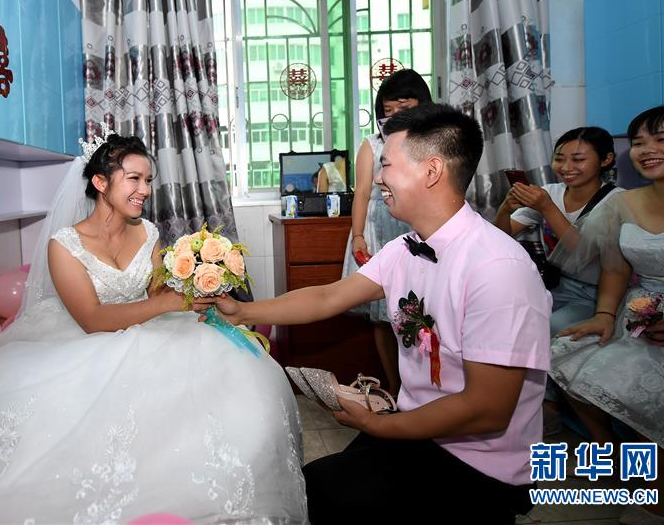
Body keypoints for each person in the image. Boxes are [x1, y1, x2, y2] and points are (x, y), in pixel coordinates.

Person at [0, 132, 308, 524]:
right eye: (134, 179)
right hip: (86, 337)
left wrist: (187, 285)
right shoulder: (64, 245)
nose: (145, 190)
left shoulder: (148, 233)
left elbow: (155, 293)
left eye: (148, 180)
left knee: (228, 378)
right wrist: (168, 302)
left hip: (150, 327)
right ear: (100, 182)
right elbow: (92, 319)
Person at [213, 104, 551, 524]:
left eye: (386, 164)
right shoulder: (405, 248)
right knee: (308, 486)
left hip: (479, 460)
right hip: (420, 426)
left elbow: (487, 409)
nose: (376, 179)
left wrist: (381, 426)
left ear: (431, 171)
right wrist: (242, 311)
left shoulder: (498, 268)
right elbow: (327, 297)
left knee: (324, 493)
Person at [550, 105, 664, 524]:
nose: (646, 149)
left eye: (662, 139)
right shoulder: (624, 203)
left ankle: (663, 493)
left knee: (637, 387)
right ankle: (609, 450)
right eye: (639, 142)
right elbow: (614, 267)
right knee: (564, 354)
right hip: (637, 314)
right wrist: (605, 314)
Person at [340, 69, 432, 395]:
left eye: (402, 108)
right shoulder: (372, 144)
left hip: (418, 229)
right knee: (382, 315)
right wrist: (359, 236)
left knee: (422, 311)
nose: (393, 116)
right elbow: (362, 193)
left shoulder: (434, 141)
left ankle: (424, 389)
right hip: (379, 230)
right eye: (387, 110)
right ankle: (395, 388)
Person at [494, 126, 623, 335]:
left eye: (578, 159)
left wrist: (547, 208)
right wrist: (505, 209)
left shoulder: (617, 201)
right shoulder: (550, 192)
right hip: (551, 285)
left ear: (606, 159)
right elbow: (501, 237)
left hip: (593, 293)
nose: (566, 167)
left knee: (541, 330)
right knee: (503, 319)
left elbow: (583, 254)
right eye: (559, 159)